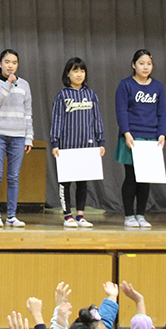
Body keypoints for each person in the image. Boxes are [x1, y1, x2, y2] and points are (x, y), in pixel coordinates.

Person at [50, 57, 105, 228]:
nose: (79, 74)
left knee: (83, 182)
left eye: (82, 71)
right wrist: (55, 142)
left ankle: (80, 215)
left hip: (86, 145)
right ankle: (68, 216)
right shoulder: (63, 95)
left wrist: (100, 140)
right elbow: (57, 119)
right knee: (65, 183)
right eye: (75, 71)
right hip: (67, 146)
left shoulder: (91, 95)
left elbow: (97, 119)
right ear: (68, 73)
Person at [114, 50, 166, 229]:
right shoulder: (125, 85)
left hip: (151, 138)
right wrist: (126, 133)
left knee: (145, 179)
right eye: (142, 63)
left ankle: (141, 215)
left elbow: (162, 113)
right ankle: (129, 215)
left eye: (149, 63)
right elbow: (121, 111)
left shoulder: (158, 87)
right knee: (131, 177)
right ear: (133, 64)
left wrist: (161, 134)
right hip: (132, 137)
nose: (145, 67)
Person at [0, 49, 33, 228]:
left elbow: (28, 112)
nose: (10, 65)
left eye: (14, 62)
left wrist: (29, 137)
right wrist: (8, 85)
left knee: (14, 177)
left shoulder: (25, 85)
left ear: (17, 65)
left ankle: (11, 216)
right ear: (0, 64)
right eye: (7, 62)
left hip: (18, 136)